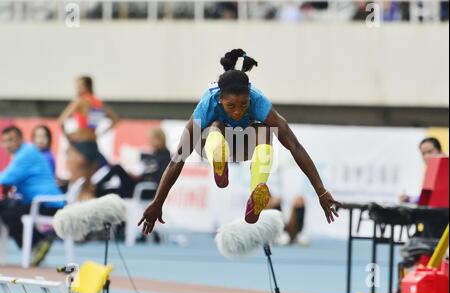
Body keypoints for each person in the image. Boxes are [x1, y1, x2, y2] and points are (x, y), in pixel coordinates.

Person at [139, 49, 341, 235]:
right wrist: (158, 201)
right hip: (211, 144)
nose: (238, 111)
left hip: (246, 146)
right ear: (219, 99)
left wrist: (321, 191)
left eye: (244, 104)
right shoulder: (206, 106)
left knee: (264, 130)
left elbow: (294, 146)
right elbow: (178, 159)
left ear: (250, 96)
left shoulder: (259, 101)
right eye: (230, 105)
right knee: (215, 124)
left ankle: (256, 192)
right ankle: (220, 159)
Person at [0, 126, 64, 266]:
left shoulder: (26, 154)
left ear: (20, 139)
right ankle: (37, 242)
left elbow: (6, 178)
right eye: (4, 141)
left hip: (48, 204)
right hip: (38, 202)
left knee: (8, 214)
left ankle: (38, 242)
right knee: (3, 207)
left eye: (11, 140)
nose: (7, 144)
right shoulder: (24, 153)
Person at [58, 76, 119, 143]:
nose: (77, 90)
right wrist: (101, 133)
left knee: (69, 151)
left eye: (79, 87)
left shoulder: (80, 101)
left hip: (80, 140)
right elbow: (116, 119)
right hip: (92, 141)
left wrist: (67, 137)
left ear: (87, 87)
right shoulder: (99, 103)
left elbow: (61, 120)